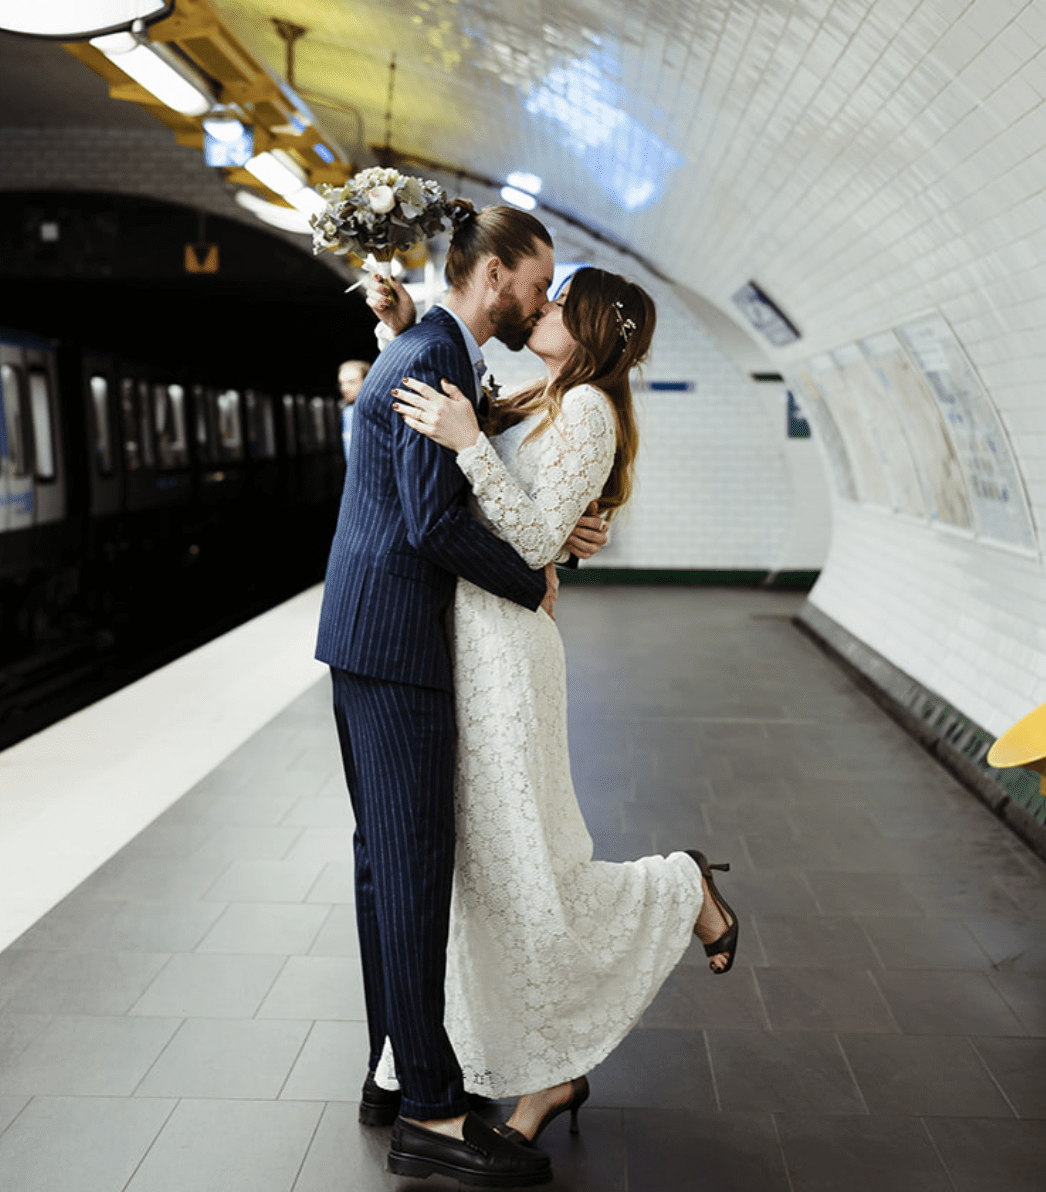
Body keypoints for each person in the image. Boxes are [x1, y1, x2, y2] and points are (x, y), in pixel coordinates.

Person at [387, 265, 740, 1150]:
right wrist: (398, 331)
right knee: (493, 863)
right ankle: (525, 1056)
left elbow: (539, 537)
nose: (538, 306)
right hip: (471, 638)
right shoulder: (541, 392)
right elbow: (474, 465)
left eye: (556, 300)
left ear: (589, 328)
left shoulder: (589, 411)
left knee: (528, 863)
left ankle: (678, 893)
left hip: (509, 654)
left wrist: (473, 444)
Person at [315, 202, 603, 1188]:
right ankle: (431, 1110)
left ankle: (392, 1077)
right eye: (538, 277)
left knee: (382, 865)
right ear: (494, 273)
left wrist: (556, 534)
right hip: (397, 641)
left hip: (366, 633)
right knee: (410, 865)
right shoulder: (432, 359)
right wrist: (537, 579)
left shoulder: (430, 348)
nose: (542, 295)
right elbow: (434, 522)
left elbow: (452, 473)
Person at [338, 359, 370, 456]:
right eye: (341, 383)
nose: (344, 388)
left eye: (351, 382)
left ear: (367, 381)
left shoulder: (374, 412)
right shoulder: (347, 412)